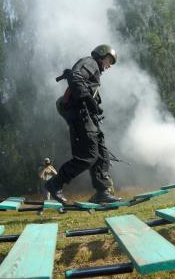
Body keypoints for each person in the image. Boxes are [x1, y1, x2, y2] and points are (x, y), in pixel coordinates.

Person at [45, 44, 121, 204]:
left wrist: (94, 107)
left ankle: (102, 192)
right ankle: (55, 183)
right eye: (108, 61)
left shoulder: (95, 72)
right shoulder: (90, 62)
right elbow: (75, 77)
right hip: (80, 116)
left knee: (102, 155)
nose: (109, 66)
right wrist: (88, 99)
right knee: (88, 156)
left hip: (89, 118)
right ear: (101, 55)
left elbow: (83, 86)